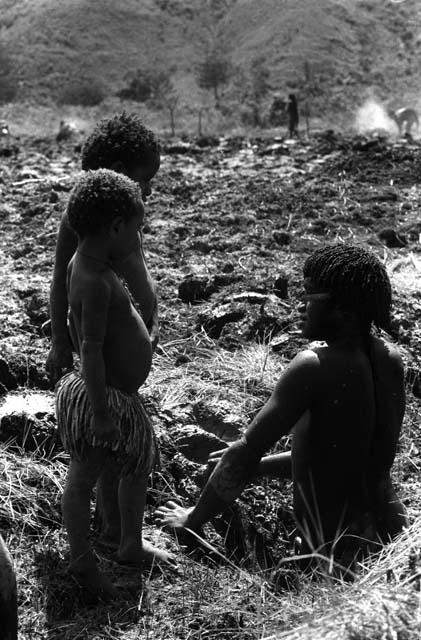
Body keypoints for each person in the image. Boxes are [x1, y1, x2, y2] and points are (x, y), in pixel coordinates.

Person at [156, 244, 408, 570]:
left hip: (331, 553)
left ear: (343, 310)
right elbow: (341, 458)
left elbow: (244, 453)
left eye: (308, 296)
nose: (298, 306)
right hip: (389, 539)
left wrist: (193, 517)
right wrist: (260, 466)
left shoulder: (313, 367)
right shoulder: (389, 360)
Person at [46, 112, 161, 548]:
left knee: (113, 450)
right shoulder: (89, 223)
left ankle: (114, 530)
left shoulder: (119, 217)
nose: (149, 189)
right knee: (113, 451)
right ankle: (114, 531)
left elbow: (137, 274)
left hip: (121, 344)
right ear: (116, 175)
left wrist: (147, 317)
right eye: (144, 179)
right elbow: (60, 278)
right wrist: (60, 338)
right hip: (106, 356)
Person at [55, 169, 170, 599]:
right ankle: (83, 562)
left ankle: (126, 541)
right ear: (117, 227)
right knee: (83, 478)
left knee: (133, 465)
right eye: (136, 231)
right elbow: (89, 347)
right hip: (104, 400)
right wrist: (102, 414)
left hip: (113, 395)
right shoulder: (96, 281)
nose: (136, 241)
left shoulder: (84, 263)